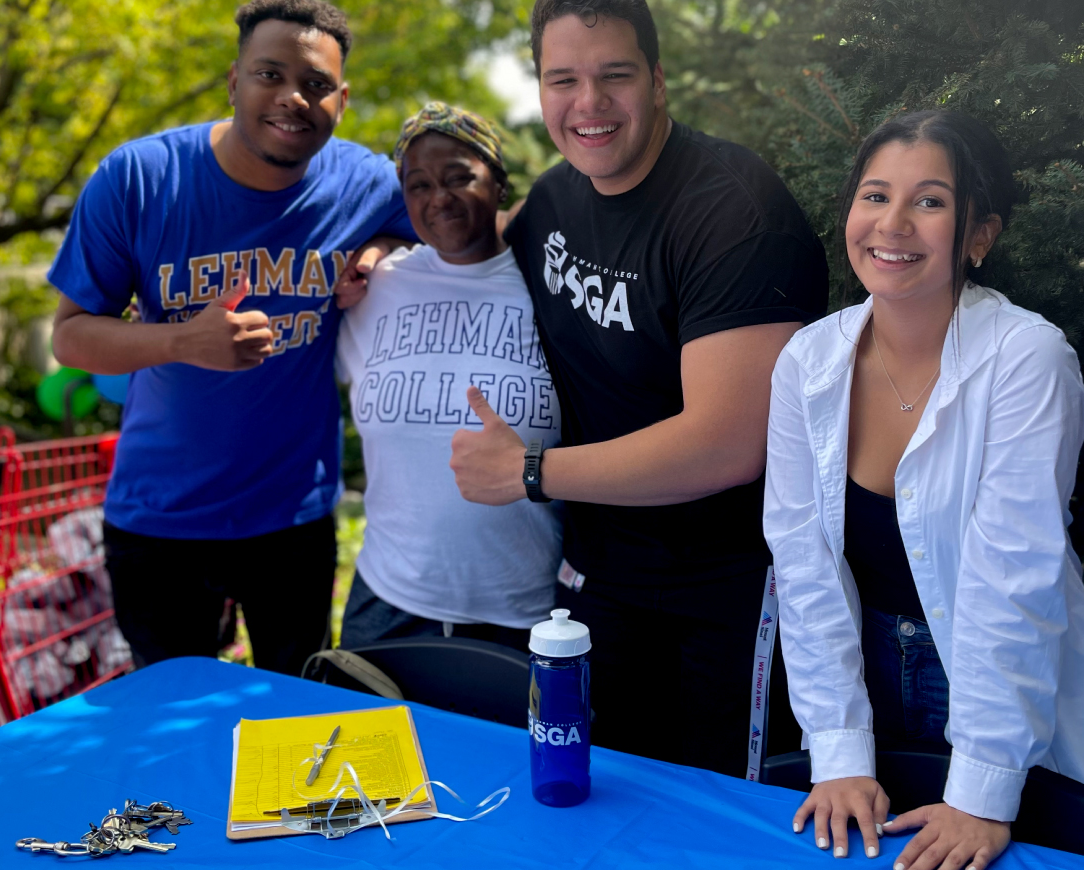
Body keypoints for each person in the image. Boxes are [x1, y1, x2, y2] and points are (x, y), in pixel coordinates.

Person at [443, 0, 828, 776]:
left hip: (728, 586)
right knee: (601, 792)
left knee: (718, 818)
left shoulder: (733, 213)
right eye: (564, 80)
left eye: (613, 75)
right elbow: (471, 250)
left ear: (655, 80)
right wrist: (379, 263)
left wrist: (528, 472)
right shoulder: (553, 199)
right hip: (597, 576)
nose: (588, 104)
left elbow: (724, 444)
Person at [48, 0, 413, 676]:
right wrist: (181, 341)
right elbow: (70, 338)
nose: (291, 99)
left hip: (292, 522)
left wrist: (382, 246)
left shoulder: (366, 182)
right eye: (268, 75)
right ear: (233, 79)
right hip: (159, 522)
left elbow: (464, 225)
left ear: (342, 97)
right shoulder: (137, 179)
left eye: (315, 85)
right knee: (172, 733)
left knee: (294, 724)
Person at [764, 109, 1084, 869]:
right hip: (861, 668)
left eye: (929, 201)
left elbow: (1014, 581)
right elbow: (802, 563)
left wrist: (981, 791)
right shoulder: (805, 362)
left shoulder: (1026, 360)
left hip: (1000, 680)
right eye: (874, 196)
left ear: (978, 235)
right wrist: (839, 748)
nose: (893, 223)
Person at [336, 103, 561, 652]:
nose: (439, 198)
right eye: (419, 184)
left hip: (526, 616)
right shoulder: (376, 286)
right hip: (386, 605)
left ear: (500, 184)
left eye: (459, 176)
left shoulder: (552, 288)